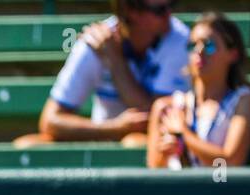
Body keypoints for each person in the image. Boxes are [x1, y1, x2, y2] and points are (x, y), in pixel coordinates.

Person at [13, 0, 191, 147]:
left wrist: (116, 62)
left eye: (171, 6)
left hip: (154, 142)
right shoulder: (94, 42)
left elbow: (157, 119)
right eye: (160, 10)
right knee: (26, 145)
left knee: (134, 143)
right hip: (101, 138)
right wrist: (114, 128)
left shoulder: (180, 40)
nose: (170, 16)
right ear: (129, 10)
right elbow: (50, 121)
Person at [146, 12, 250, 168]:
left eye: (209, 45)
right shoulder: (164, 107)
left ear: (233, 54)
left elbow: (228, 164)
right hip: (175, 192)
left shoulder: (245, 100)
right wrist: (165, 153)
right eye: (192, 45)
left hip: (219, 190)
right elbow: (154, 171)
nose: (199, 51)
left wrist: (184, 134)